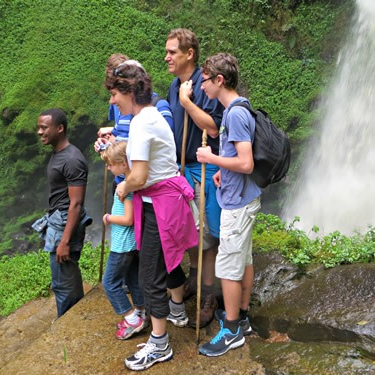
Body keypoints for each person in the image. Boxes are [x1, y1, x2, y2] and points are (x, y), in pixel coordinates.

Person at [106, 63, 198, 371]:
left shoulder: (142, 124)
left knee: (149, 275)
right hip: (160, 201)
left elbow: (141, 175)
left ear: (130, 92)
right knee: (159, 268)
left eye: (114, 93)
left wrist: (123, 189)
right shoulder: (149, 117)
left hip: (158, 204)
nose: (111, 101)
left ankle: (160, 346)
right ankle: (168, 324)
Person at [196, 53, 261, 357]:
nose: (202, 87)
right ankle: (243, 316)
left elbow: (246, 162)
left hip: (237, 204)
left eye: (205, 81)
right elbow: (239, 158)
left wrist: (211, 159)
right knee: (243, 258)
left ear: (219, 80)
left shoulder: (234, 114)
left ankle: (232, 329)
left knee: (228, 266)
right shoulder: (239, 109)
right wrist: (224, 169)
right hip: (243, 196)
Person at [164, 28, 224, 327]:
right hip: (180, 168)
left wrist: (188, 102)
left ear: (189, 53)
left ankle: (209, 293)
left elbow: (213, 127)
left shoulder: (204, 84)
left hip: (204, 168)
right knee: (188, 230)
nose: (167, 57)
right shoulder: (173, 86)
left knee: (208, 236)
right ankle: (193, 278)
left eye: (172, 51)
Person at [36, 108, 92, 318]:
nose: (40, 132)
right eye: (38, 127)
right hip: (59, 219)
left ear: (60, 128)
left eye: (44, 127)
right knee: (67, 275)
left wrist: (65, 242)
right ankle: (75, 315)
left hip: (64, 223)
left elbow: (76, 203)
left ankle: (66, 323)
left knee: (62, 282)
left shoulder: (71, 159)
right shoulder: (59, 154)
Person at [100, 141, 147, 340]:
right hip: (131, 243)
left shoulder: (125, 188)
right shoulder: (129, 181)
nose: (108, 168)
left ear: (123, 163)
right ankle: (141, 311)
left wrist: (109, 218)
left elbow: (128, 219)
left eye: (111, 164)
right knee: (132, 278)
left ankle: (131, 318)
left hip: (123, 245)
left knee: (109, 282)